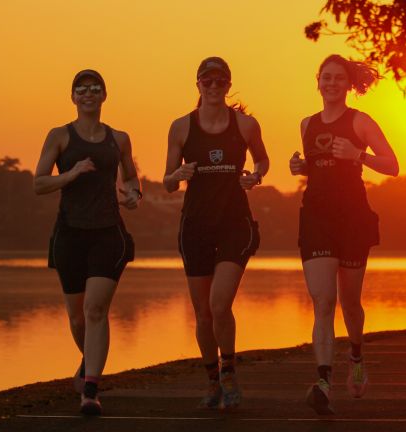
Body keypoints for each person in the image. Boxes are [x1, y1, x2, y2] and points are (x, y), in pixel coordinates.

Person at [289, 54, 399, 414]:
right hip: (316, 218)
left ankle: (356, 355)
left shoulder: (360, 122)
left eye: (338, 78)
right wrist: (301, 167)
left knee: (350, 302)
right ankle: (323, 380)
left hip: (352, 218)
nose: (331, 83)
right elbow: (318, 169)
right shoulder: (306, 124)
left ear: (348, 84)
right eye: (326, 77)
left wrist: (359, 156)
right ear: (317, 82)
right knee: (323, 302)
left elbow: (393, 165)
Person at [33, 69, 141, 415]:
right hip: (69, 234)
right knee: (77, 318)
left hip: (108, 233)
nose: (88, 94)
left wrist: (133, 194)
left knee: (96, 310)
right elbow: (39, 184)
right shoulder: (60, 136)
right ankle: (89, 361)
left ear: (104, 96)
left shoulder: (119, 138)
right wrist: (73, 173)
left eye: (95, 89)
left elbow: (131, 176)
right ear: (73, 97)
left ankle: (91, 390)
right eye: (81, 89)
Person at [163, 57, 269, 409]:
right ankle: (211, 380)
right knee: (203, 314)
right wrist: (177, 176)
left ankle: (228, 371)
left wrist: (254, 176)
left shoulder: (246, 124)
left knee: (219, 304)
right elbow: (167, 184)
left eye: (219, 80)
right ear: (197, 85)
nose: (213, 86)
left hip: (234, 224)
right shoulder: (180, 127)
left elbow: (262, 161)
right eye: (206, 81)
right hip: (195, 226)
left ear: (228, 84)